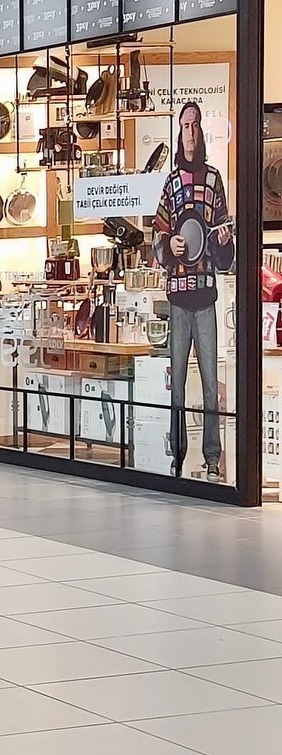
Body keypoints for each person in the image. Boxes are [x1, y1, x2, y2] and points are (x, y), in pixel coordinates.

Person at [153, 100, 234, 482]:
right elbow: (159, 233)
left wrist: (222, 239)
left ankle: (213, 456)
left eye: (195, 125)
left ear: (202, 132)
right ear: (179, 131)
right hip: (178, 297)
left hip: (204, 296)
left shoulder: (215, 180)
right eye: (184, 126)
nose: (189, 132)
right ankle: (178, 454)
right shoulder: (170, 183)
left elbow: (223, 247)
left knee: (209, 384)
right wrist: (170, 246)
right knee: (179, 386)